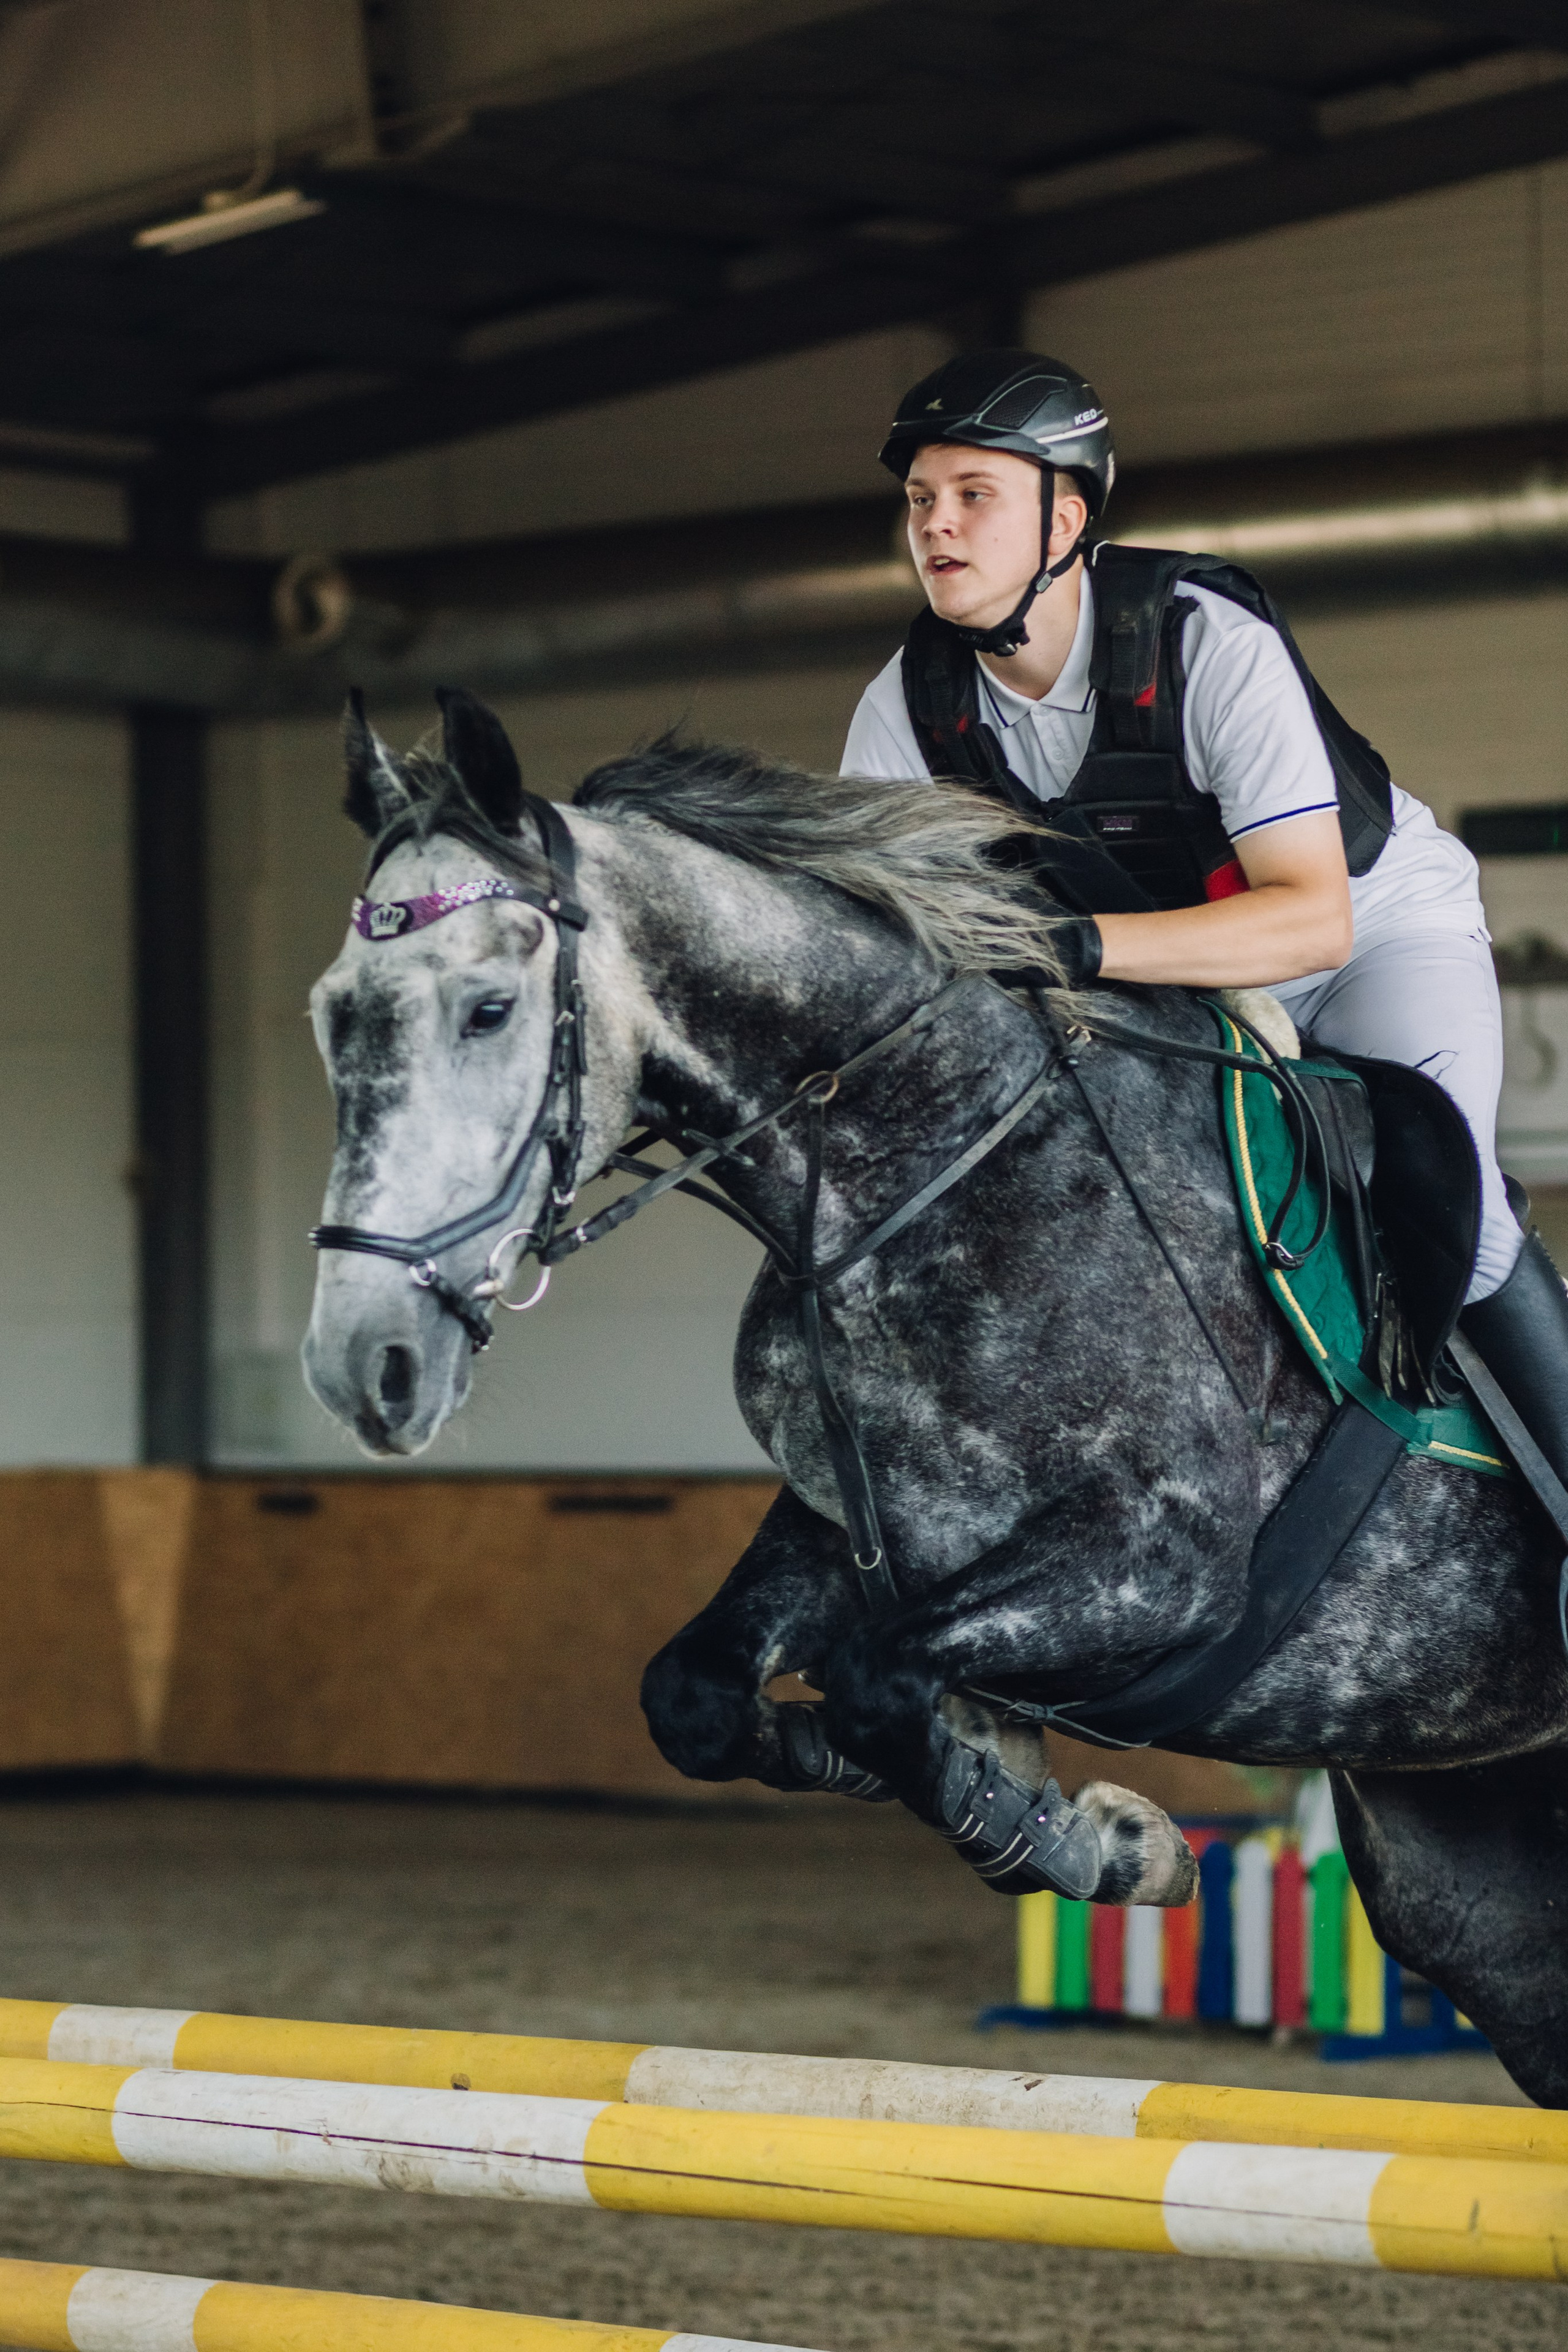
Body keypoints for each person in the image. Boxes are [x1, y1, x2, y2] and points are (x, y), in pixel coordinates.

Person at [842, 347, 1568, 1487]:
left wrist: (1076, 949)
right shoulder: (907, 704)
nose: (937, 524)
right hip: (1168, 981)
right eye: (922, 500)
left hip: (1371, 934)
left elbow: (1311, 923)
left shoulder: (1203, 640)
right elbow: (890, 943)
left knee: (1447, 1201)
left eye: (975, 496)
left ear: (1065, 518)